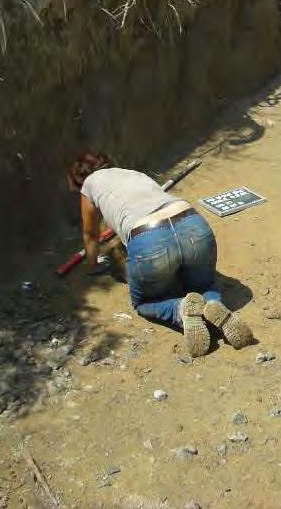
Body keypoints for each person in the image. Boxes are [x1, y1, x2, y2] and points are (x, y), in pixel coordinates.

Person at [68, 152, 253, 357]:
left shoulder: (89, 185)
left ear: (78, 178)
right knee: (204, 284)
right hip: (191, 221)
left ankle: (181, 310)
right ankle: (213, 304)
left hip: (148, 236)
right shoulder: (132, 173)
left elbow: (90, 233)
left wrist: (92, 263)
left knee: (145, 302)